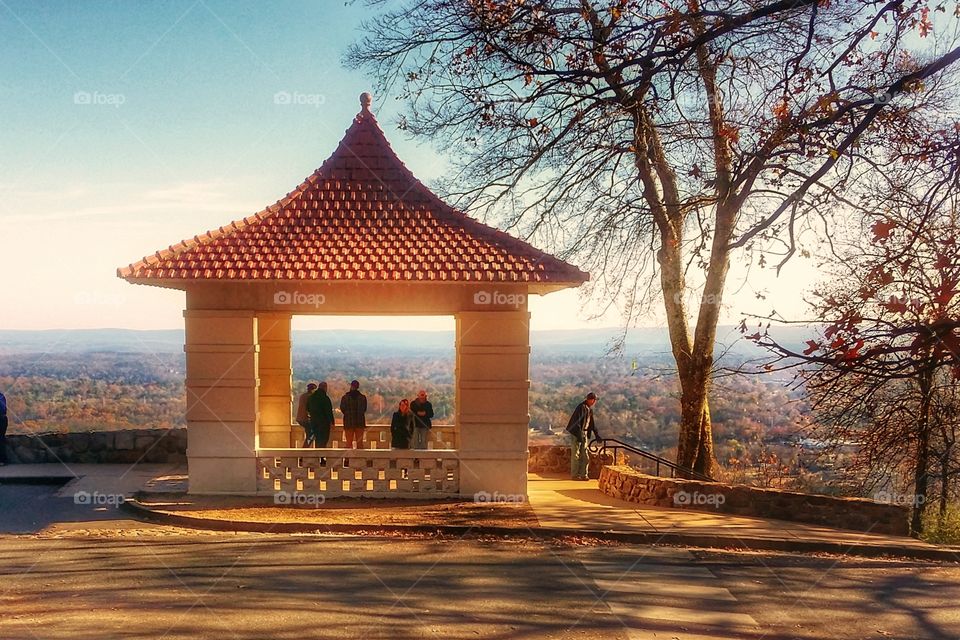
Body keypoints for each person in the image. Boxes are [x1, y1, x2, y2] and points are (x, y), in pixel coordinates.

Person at [565, 392, 601, 481]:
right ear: (590, 399)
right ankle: (575, 475)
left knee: (584, 454)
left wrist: (596, 435)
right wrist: (579, 436)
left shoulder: (589, 409)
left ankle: (583, 474)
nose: (594, 402)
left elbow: (592, 424)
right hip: (576, 434)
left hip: (583, 433)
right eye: (594, 400)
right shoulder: (581, 407)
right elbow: (575, 422)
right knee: (576, 454)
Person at [340, 380, 368, 449]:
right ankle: (359, 459)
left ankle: (347, 459)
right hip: (360, 422)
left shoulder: (345, 398)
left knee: (348, 443)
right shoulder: (362, 398)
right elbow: (364, 409)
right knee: (360, 444)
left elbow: (342, 409)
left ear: (351, 386)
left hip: (349, 422)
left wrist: (348, 414)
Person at [306, 381, 335, 448]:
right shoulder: (325, 398)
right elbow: (329, 411)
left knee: (316, 439)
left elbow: (307, 408)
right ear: (325, 388)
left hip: (313, 422)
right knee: (323, 440)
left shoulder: (311, 397)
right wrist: (332, 422)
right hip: (324, 423)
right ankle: (321, 456)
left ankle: (317, 455)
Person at [0, 390, 7, 466]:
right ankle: (2, 460)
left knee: (1, 439)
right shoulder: (1, 396)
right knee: (1, 439)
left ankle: (2, 459)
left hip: (1, 419)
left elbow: (2, 409)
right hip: (3, 419)